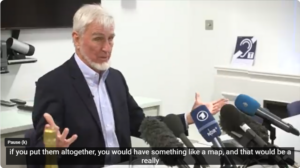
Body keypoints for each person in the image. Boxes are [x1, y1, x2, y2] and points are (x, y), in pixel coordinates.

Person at [32, 4, 227, 168]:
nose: (107, 48)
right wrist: (52, 148)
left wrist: (189, 117)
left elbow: (142, 124)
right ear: (76, 39)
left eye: (111, 39)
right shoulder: (52, 84)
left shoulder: (115, 79)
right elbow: (38, 151)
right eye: (98, 39)